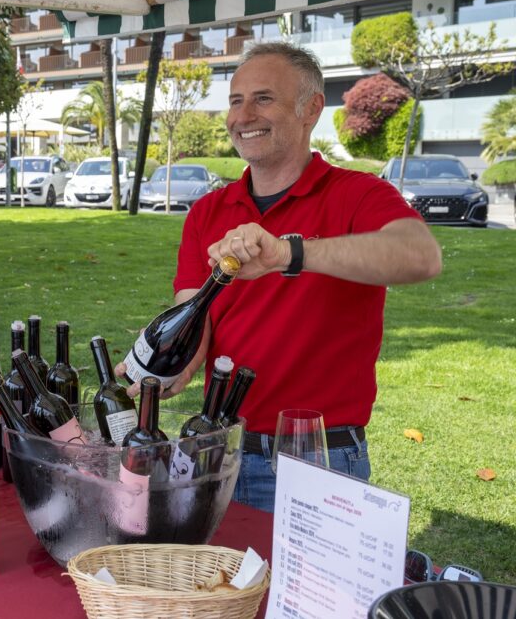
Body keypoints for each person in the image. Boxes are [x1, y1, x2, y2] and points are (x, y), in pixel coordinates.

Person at [123, 42, 442, 513]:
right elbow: (196, 313)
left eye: (263, 98)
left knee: (313, 590)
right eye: (236, 100)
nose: (243, 114)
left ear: (310, 109)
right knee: (219, 586)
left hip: (319, 457)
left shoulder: (358, 194)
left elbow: (421, 256)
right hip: (219, 448)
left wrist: (289, 253)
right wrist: (177, 364)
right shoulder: (208, 212)